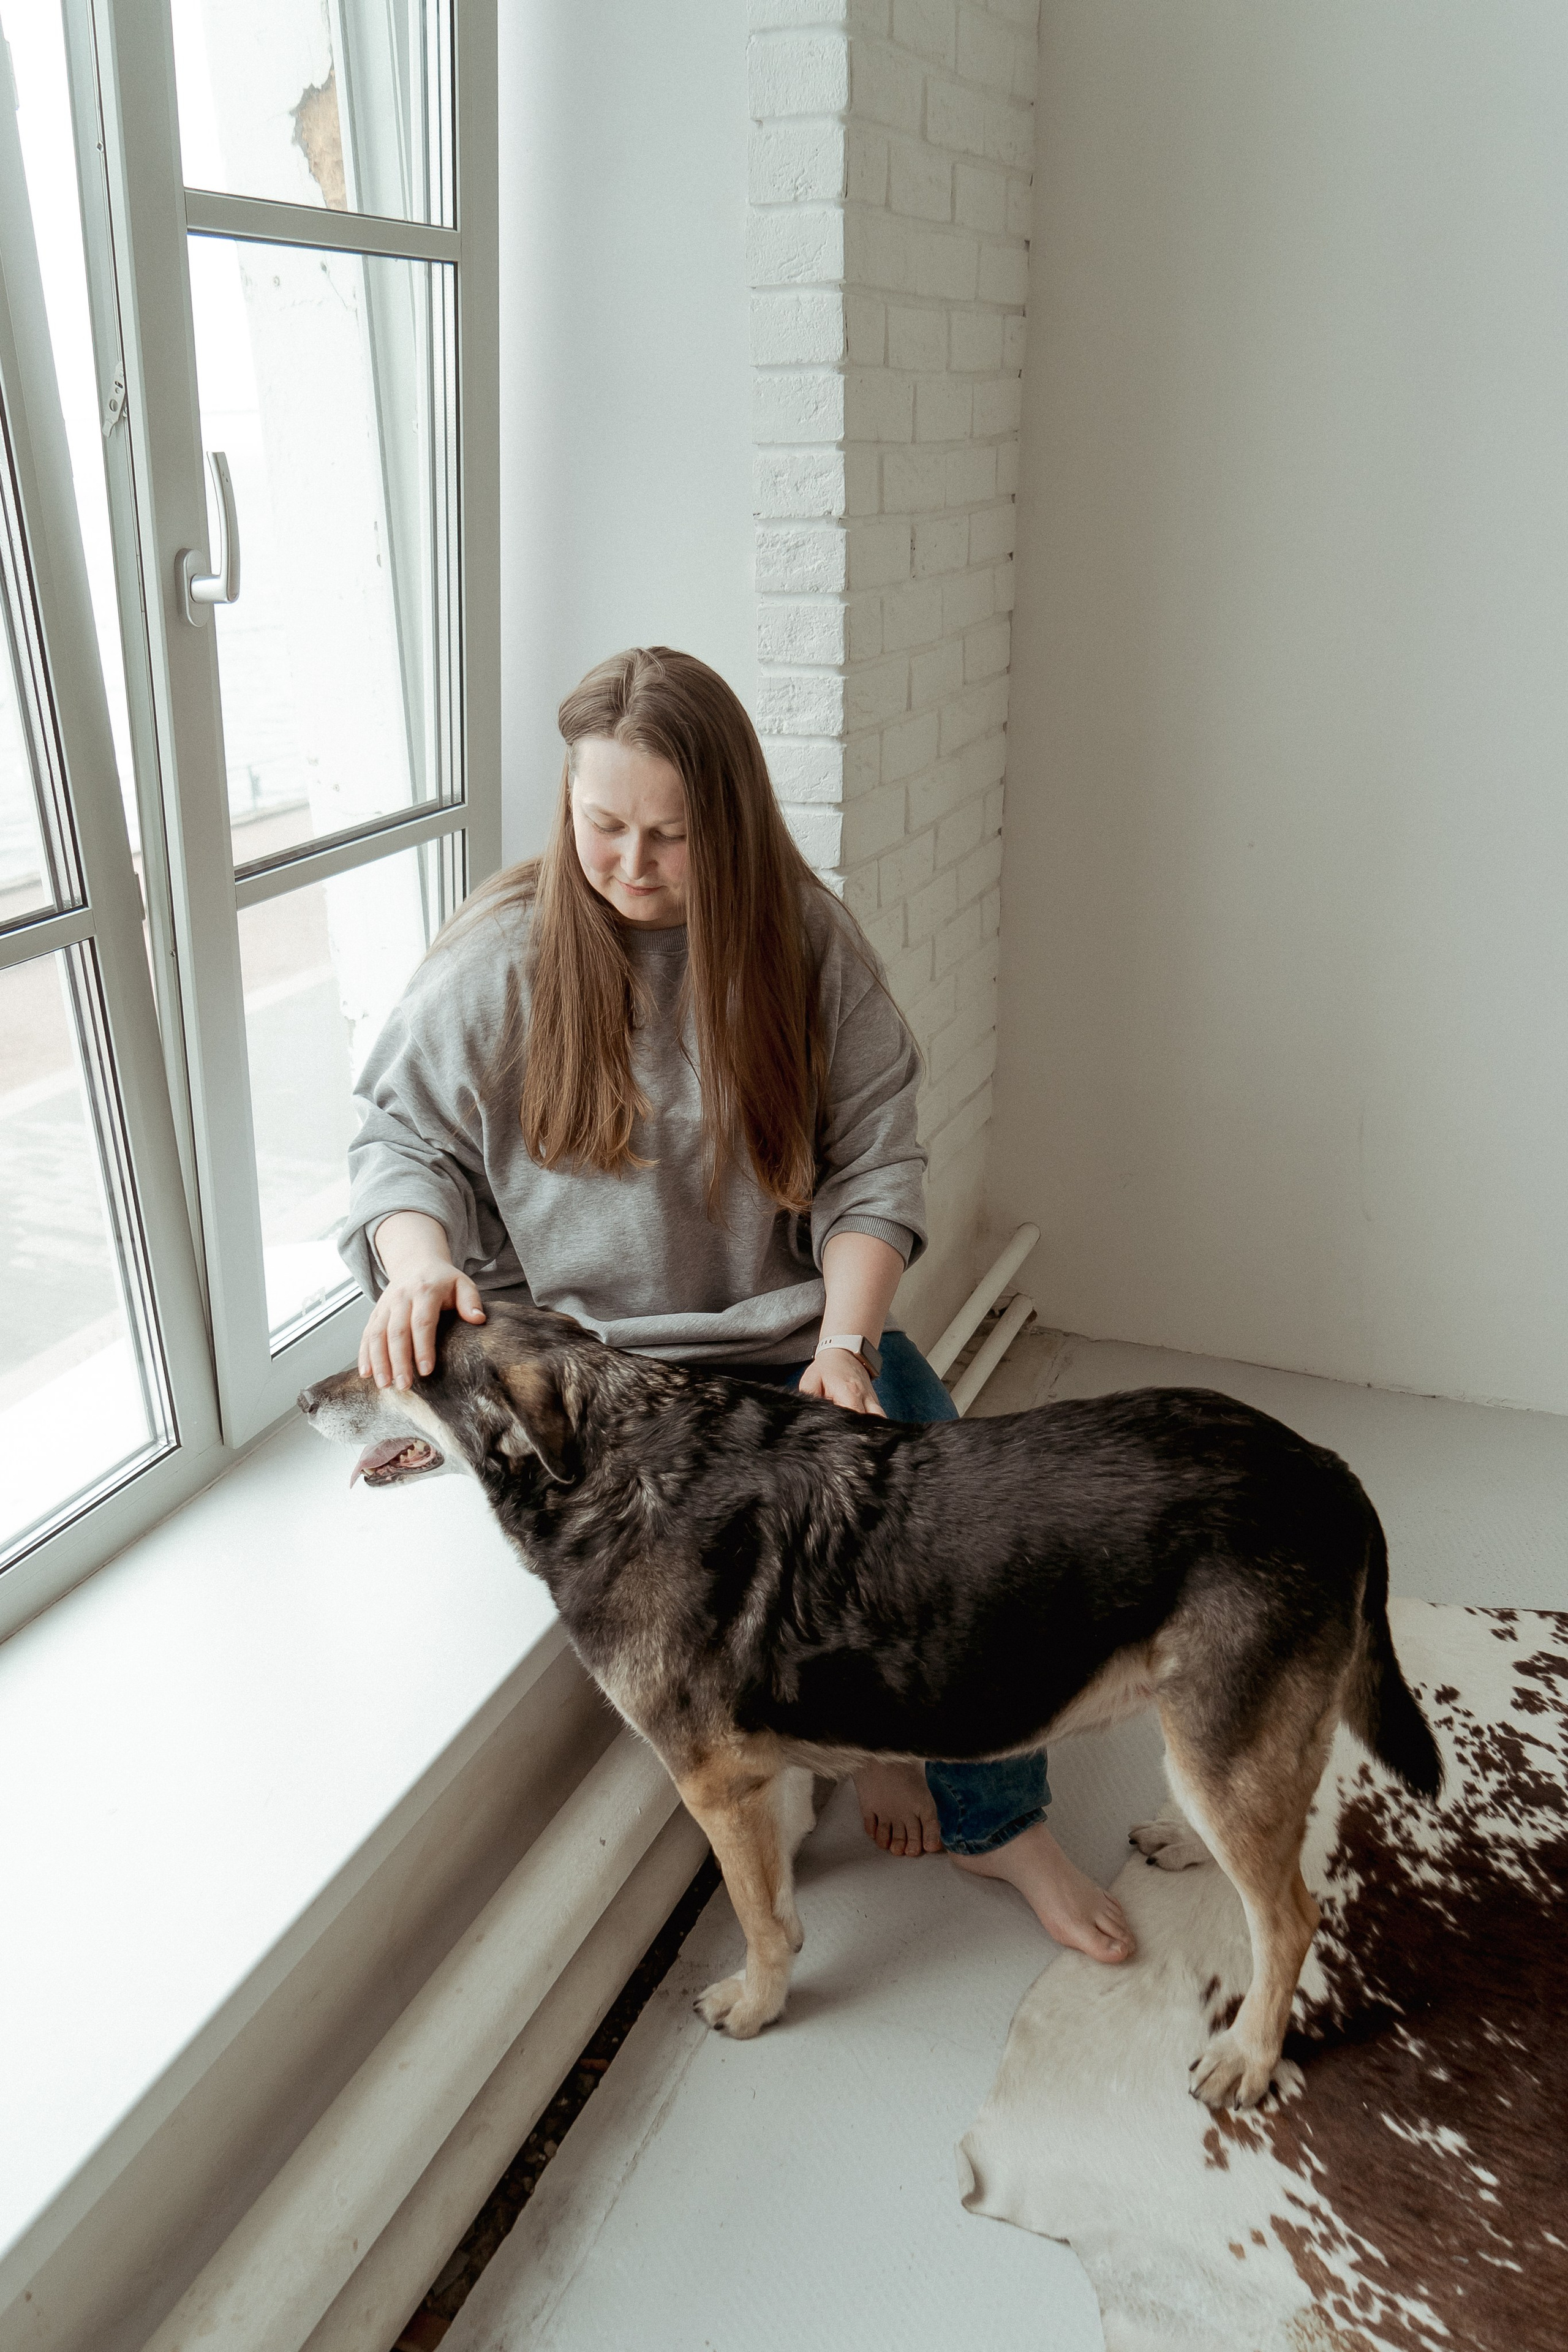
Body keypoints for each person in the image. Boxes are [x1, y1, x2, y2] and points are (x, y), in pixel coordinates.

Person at [341, 646, 1132, 1967]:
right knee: (758, 1601)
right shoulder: (500, 963)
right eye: (603, 828)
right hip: (603, 1388)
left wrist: (845, 1340)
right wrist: (419, 1258)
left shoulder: (803, 945)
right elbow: (397, 1142)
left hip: (785, 1342)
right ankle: (868, 1748)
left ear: (736, 821)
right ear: (568, 806)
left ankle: (994, 1820)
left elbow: (877, 1165)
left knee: (954, 1545)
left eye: (670, 836)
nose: (632, 865)